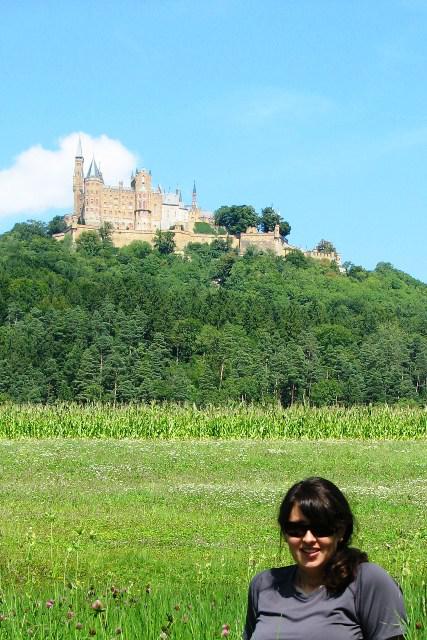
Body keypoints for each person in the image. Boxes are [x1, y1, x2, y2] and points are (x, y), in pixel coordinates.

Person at [243, 477, 406, 640]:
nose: (308, 539)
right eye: (296, 529)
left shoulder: (367, 581)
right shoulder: (265, 584)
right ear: (285, 533)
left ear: (341, 531)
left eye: (320, 528)